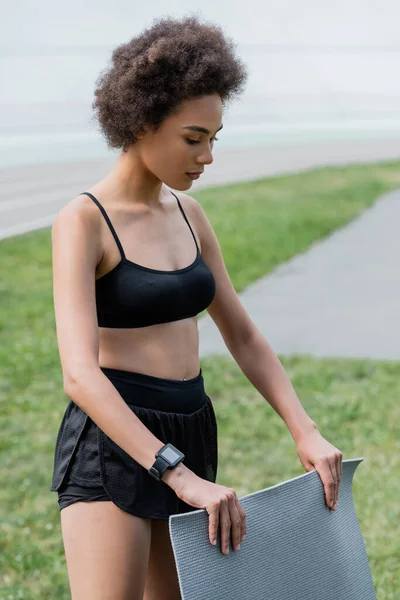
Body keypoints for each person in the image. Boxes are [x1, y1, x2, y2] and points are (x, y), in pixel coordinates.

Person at [49, 13, 342, 600]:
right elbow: (80, 375)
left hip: (191, 425)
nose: (207, 156)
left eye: (214, 138)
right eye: (193, 138)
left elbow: (243, 335)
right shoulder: (84, 222)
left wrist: (304, 430)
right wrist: (176, 475)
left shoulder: (189, 215)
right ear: (142, 122)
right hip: (116, 440)